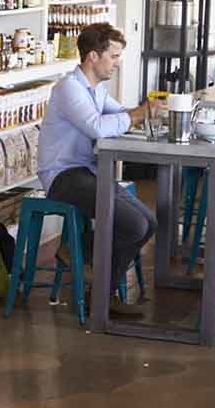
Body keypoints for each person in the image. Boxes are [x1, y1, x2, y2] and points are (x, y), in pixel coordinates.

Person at [37, 22, 163, 314]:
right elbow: (97, 127)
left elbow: (119, 115)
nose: (118, 64)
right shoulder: (69, 88)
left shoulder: (97, 90)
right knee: (133, 224)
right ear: (93, 56)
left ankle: (80, 249)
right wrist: (137, 115)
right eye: (114, 57)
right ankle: (101, 298)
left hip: (87, 172)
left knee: (149, 223)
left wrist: (143, 114)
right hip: (62, 176)